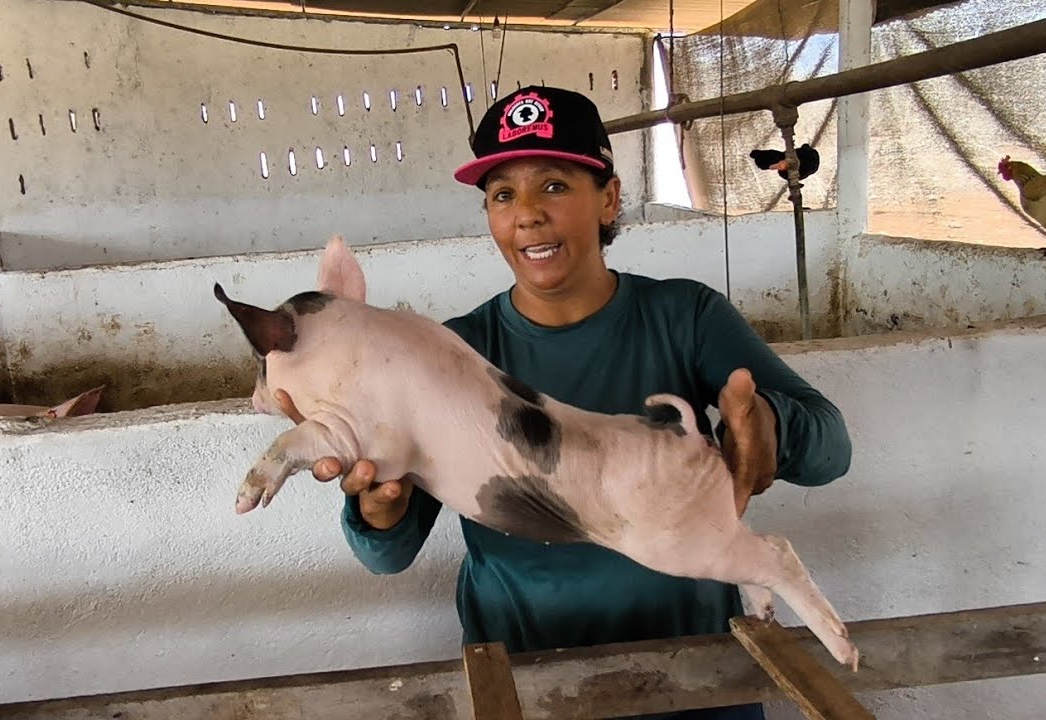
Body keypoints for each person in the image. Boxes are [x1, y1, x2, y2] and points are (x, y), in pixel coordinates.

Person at [276, 85, 852, 720]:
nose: (527, 215)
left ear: (608, 198)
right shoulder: (451, 349)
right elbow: (387, 555)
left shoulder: (684, 316)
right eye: (503, 195)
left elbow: (832, 449)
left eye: (553, 185)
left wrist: (767, 425)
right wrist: (380, 506)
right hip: (525, 677)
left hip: (696, 675)